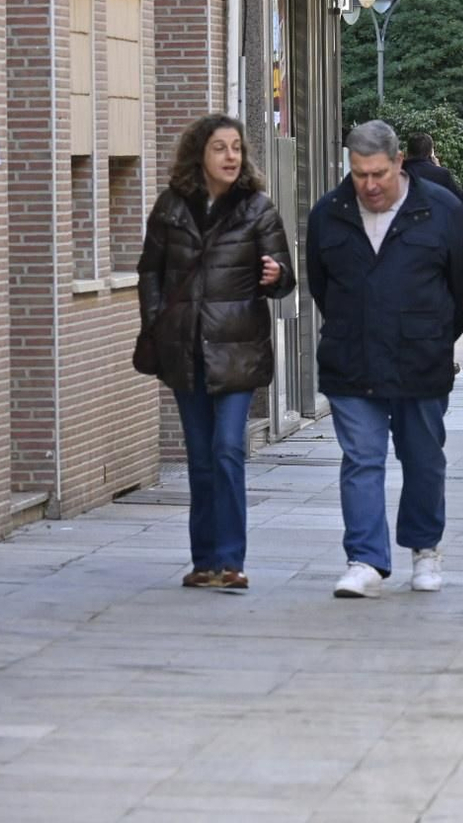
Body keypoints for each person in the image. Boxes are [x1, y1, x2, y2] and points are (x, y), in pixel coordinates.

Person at [305, 120, 463, 599]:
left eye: (379, 173)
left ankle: (425, 550)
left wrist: (438, 337)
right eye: (360, 174)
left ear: (399, 162)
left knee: (423, 458)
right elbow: (321, 285)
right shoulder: (329, 213)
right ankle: (364, 559)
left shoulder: (440, 210)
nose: (370, 185)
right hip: (351, 358)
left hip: (420, 359)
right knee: (361, 459)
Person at [138, 114, 297, 590]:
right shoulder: (170, 208)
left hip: (238, 352)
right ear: (199, 156)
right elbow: (150, 271)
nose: (231, 157)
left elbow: (284, 273)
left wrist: (276, 275)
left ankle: (230, 561)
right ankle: (204, 561)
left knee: (227, 449)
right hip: (185, 351)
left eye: (236, 148)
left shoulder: (258, 210)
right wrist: (157, 322)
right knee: (201, 458)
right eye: (220, 148)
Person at [402, 131, 463, 208]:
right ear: (431, 153)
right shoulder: (441, 174)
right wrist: (438, 168)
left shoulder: (398, 171)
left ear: (408, 151)